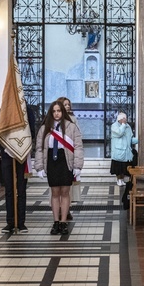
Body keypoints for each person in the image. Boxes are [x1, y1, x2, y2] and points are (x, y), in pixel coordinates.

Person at [34, 100, 84, 235]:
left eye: (59, 111)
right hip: (51, 161)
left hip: (65, 160)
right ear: (51, 113)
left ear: (63, 112)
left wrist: (78, 166)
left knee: (65, 192)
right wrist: (39, 167)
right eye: (54, 111)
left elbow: (78, 147)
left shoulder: (71, 127)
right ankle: (56, 222)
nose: (56, 114)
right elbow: (39, 148)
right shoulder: (44, 128)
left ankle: (63, 222)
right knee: (55, 193)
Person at [0, 105, 38, 234]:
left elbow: (32, 131)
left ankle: (21, 222)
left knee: (21, 189)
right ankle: (10, 222)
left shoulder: (28, 110)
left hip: (22, 154)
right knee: (9, 190)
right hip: (7, 154)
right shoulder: (3, 110)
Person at [58, 96, 80, 219]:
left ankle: (67, 209)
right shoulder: (54, 120)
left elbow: (78, 135)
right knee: (57, 186)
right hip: (57, 156)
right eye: (65, 104)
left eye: (68, 104)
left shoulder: (73, 119)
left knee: (68, 186)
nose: (67, 107)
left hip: (69, 156)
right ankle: (58, 209)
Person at [110, 112, 136, 186]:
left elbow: (130, 137)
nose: (126, 120)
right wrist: (123, 125)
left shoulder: (127, 126)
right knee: (118, 167)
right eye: (124, 119)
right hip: (118, 150)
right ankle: (119, 179)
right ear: (120, 119)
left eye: (126, 119)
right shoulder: (114, 126)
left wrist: (135, 140)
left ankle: (122, 179)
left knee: (124, 167)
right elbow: (119, 133)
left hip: (126, 150)